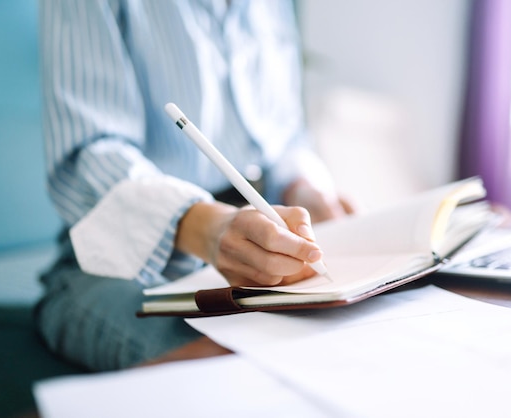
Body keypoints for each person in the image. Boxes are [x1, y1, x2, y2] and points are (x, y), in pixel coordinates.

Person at [36, 0, 354, 371]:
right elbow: (88, 154)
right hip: (119, 258)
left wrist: (303, 189)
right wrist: (209, 227)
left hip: (259, 241)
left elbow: (283, 133)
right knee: (239, 368)